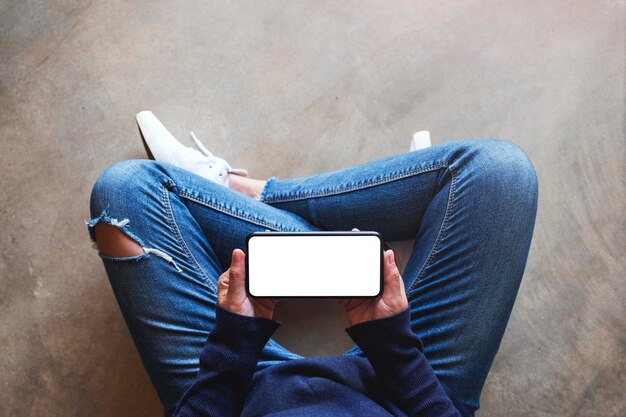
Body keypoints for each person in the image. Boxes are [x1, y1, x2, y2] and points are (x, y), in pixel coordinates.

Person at [85, 112, 538, 416]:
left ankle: (242, 191)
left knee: (124, 191)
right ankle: (254, 193)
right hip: (407, 398)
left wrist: (232, 346)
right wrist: (396, 347)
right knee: (501, 173)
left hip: (239, 396)